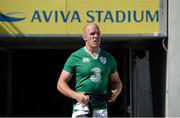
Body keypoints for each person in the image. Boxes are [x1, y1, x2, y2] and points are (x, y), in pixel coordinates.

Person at [57, 23, 122, 117]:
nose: (96, 36)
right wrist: (76, 95)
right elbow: (60, 84)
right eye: (92, 34)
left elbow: (116, 81)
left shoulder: (109, 57)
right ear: (85, 37)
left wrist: (116, 92)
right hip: (82, 107)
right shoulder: (75, 56)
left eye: (98, 33)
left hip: (101, 109)